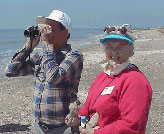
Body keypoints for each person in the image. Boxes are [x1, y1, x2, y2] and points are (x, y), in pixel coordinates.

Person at [5, 9, 83, 134]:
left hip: (63, 127)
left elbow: (54, 77)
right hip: (40, 127)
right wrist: (28, 47)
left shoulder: (74, 56)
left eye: (51, 28)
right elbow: (11, 71)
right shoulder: (42, 56)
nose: (46, 32)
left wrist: (46, 44)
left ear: (66, 32)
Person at [77, 25, 152, 134]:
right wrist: (78, 118)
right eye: (109, 47)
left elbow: (131, 125)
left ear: (131, 51)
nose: (114, 52)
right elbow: (88, 106)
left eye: (120, 47)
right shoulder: (103, 76)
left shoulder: (135, 81)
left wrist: (94, 133)